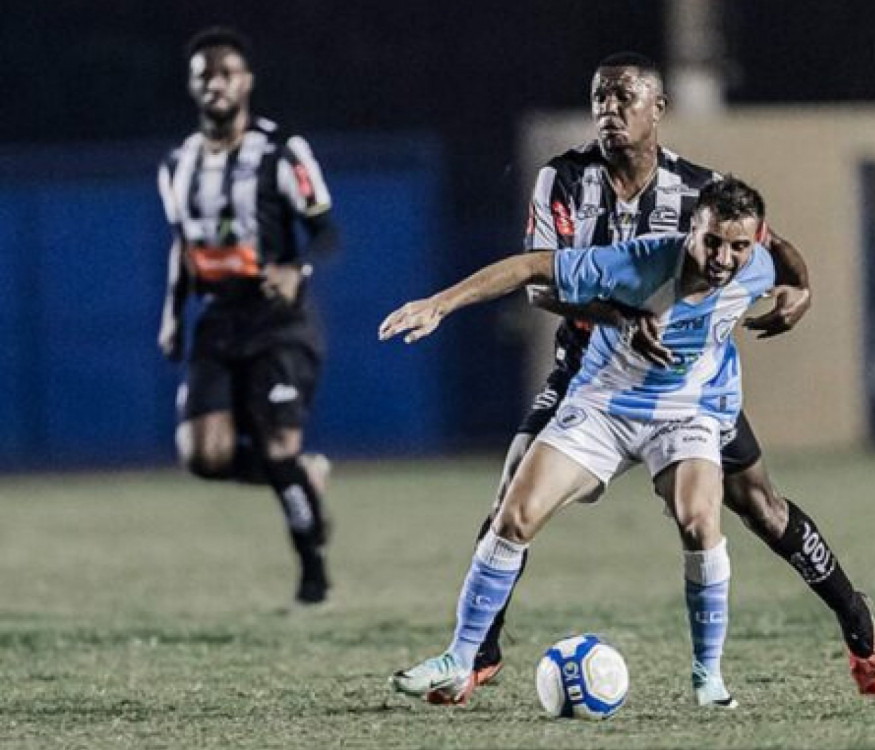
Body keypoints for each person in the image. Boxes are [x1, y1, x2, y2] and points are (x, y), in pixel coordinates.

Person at [468, 52, 875, 695]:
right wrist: (619, 315)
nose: (609, 111)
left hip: (689, 382)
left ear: (656, 110)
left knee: (761, 508)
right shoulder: (561, 179)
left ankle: (857, 621)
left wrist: (801, 287)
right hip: (590, 368)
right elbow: (538, 287)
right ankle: (478, 657)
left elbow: (773, 246)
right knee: (511, 496)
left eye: (623, 99)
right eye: (600, 99)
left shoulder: (702, 188)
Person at [382, 177, 777, 708]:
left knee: (700, 519)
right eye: (713, 242)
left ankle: (709, 678)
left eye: (738, 246)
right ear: (691, 230)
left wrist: (801, 289)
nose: (724, 258)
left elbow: (785, 262)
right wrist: (442, 302)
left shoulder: (759, 267)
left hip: (685, 413)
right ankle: (458, 660)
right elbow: (530, 267)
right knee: (515, 515)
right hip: (603, 406)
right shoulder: (635, 262)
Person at [156, 27, 339, 607]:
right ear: (192, 86)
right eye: (205, 74)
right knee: (202, 456)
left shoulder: (283, 152)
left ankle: (313, 575)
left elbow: (326, 230)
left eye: (227, 72)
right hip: (216, 316)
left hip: (278, 318)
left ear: (247, 82)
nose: (216, 83)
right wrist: (172, 316)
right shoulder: (177, 163)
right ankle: (304, 480)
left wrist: (296, 270)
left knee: (277, 444)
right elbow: (182, 245)